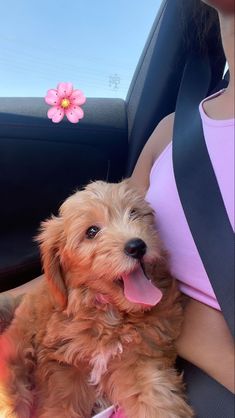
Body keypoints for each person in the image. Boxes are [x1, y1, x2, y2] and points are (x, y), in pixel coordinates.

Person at [2, 0, 234, 415]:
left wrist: (178, 319)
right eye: (95, 231)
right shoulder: (172, 132)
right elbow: (70, 269)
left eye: (138, 217)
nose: (131, 234)